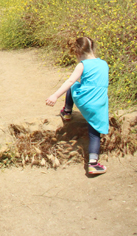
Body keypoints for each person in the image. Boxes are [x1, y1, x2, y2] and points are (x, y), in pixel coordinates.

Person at [45, 37, 109, 175]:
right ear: (92, 48)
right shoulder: (104, 64)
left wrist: (55, 96)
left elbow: (70, 81)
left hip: (85, 101)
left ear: (78, 52)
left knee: (74, 85)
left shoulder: (82, 65)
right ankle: (93, 163)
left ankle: (67, 111)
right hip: (99, 103)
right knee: (95, 134)